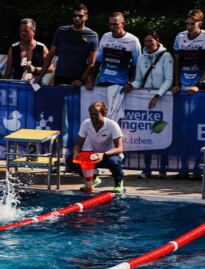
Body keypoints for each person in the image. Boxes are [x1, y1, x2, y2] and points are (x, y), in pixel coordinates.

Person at [124, 31, 175, 179]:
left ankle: (163, 169)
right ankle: (146, 168)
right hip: (146, 99)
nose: (148, 44)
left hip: (163, 98)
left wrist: (157, 95)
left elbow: (169, 80)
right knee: (147, 133)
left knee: (162, 132)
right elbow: (139, 80)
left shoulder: (166, 56)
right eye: (145, 41)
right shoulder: (141, 57)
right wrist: (131, 86)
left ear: (157, 41)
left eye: (150, 41)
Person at [39, 4, 99, 86]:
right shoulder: (61, 31)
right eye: (75, 16)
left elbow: (92, 63)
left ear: (86, 17)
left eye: (80, 16)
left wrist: (81, 80)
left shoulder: (92, 35)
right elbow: (51, 55)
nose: (77, 18)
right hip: (60, 77)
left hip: (78, 80)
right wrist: (41, 75)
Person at [72, 101, 125, 192]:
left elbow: (119, 149)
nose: (93, 117)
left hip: (110, 155)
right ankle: (93, 180)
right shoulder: (86, 124)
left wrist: (103, 154)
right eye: (91, 114)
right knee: (71, 161)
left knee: (114, 162)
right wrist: (76, 153)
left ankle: (119, 183)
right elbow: (78, 145)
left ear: (103, 114)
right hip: (93, 156)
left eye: (96, 114)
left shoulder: (112, 125)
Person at [87, 13, 141, 89]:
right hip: (103, 81)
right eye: (110, 25)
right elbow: (98, 61)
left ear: (122, 24)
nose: (112, 27)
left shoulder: (133, 40)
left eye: (115, 24)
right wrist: (91, 80)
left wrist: (131, 82)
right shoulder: (105, 36)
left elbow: (137, 65)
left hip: (121, 84)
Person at [172, 9, 205, 95]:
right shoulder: (179, 37)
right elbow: (176, 63)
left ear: (199, 24)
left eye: (193, 24)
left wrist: (198, 84)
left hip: (200, 82)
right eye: (187, 24)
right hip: (183, 81)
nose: (189, 27)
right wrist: (176, 84)